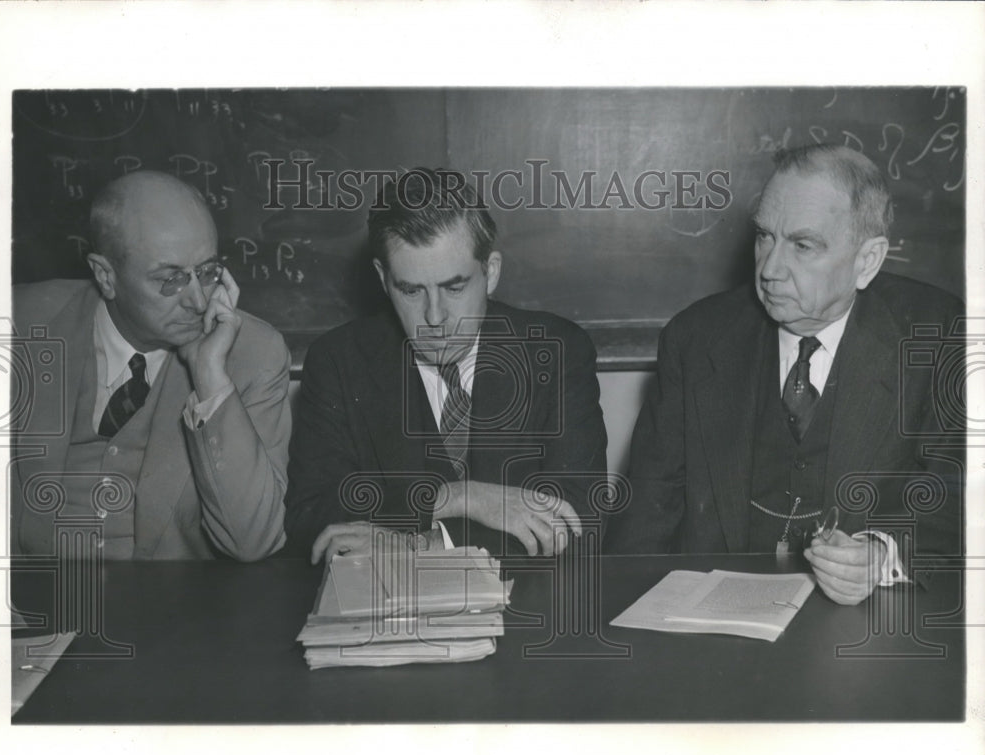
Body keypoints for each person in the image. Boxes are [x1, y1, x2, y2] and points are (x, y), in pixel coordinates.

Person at [613, 144, 964, 605]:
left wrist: (883, 553)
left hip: (864, 632)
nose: (771, 269)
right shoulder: (696, 338)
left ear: (867, 262)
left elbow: (960, 499)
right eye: (764, 237)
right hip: (713, 629)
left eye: (802, 245)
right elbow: (645, 522)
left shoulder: (938, 339)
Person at [286, 167, 608, 563]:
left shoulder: (558, 350)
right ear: (383, 279)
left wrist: (422, 544)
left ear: (490, 273)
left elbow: (579, 521)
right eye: (410, 290)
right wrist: (462, 497)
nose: (434, 316)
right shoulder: (338, 361)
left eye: (454, 288)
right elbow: (312, 521)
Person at [11, 170, 291, 560]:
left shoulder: (253, 355)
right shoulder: (16, 324)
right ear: (105, 276)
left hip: (171, 609)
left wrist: (210, 376)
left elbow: (253, 543)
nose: (197, 300)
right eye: (170, 279)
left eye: (208, 272)